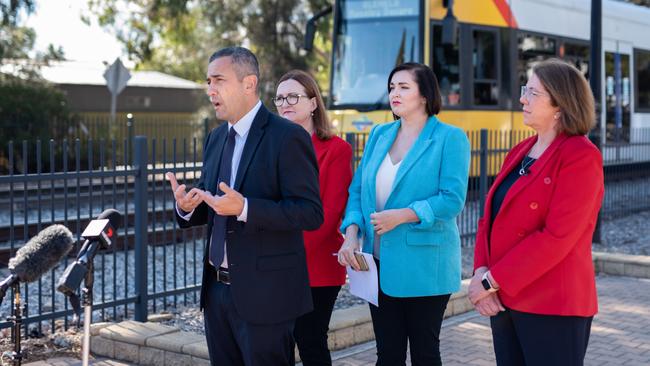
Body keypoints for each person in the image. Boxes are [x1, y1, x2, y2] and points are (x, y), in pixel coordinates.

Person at [166, 47, 323, 366]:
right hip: (216, 293)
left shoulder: (287, 137)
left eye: (219, 80)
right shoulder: (214, 139)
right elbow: (215, 203)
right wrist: (187, 207)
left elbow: (309, 212)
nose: (211, 89)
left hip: (267, 297)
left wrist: (247, 208)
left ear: (249, 83)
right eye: (208, 81)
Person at [469, 58, 604, 366]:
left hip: (553, 304)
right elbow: (488, 219)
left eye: (532, 92)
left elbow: (558, 236)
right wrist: (481, 273)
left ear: (560, 104)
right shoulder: (520, 151)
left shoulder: (580, 155)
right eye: (524, 90)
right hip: (505, 299)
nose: (522, 99)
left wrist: (490, 281)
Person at [337, 62, 470, 365]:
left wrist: (405, 215)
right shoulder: (379, 134)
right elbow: (358, 191)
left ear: (424, 95)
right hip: (378, 266)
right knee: (387, 354)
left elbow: (451, 199)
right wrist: (352, 233)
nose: (394, 93)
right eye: (392, 87)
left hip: (425, 267)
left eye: (404, 87)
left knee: (425, 353)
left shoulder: (450, 138)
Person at [274, 70, 353, 365]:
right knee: (277, 343)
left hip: (315, 267)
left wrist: (282, 251)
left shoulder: (337, 150)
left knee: (309, 340)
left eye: (293, 96)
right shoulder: (272, 147)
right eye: (280, 98)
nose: (285, 103)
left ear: (313, 103)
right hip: (274, 265)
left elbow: (329, 214)